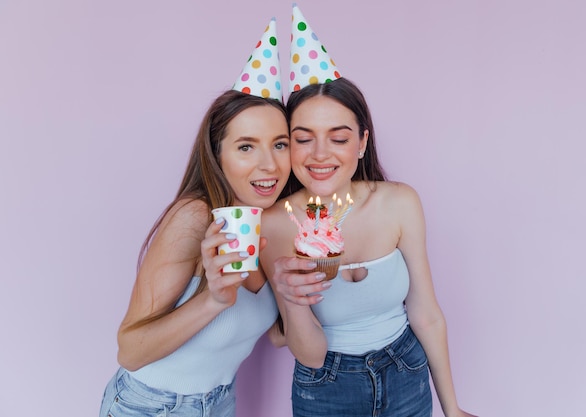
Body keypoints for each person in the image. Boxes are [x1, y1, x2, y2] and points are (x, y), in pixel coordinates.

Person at [259, 5, 477, 417]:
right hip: (325, 386)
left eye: (338, 139)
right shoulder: (275, 225)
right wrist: (291, 300)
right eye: (303, 139)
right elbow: (305, 350)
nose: (320, 155)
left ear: (361, 144)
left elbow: (426, 313)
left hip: (406, 371)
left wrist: (453, 408)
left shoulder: (399, 203)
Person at [99, 19, 290, 417]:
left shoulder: (274, 222)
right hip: (151, 406)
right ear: (217, 155)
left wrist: (304, 296)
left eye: (280, 144)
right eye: (245, 147)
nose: (269, 164)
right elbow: (130, 350)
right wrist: (212, 301)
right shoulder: (195, 217)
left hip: (220, 402)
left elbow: (271, 334)